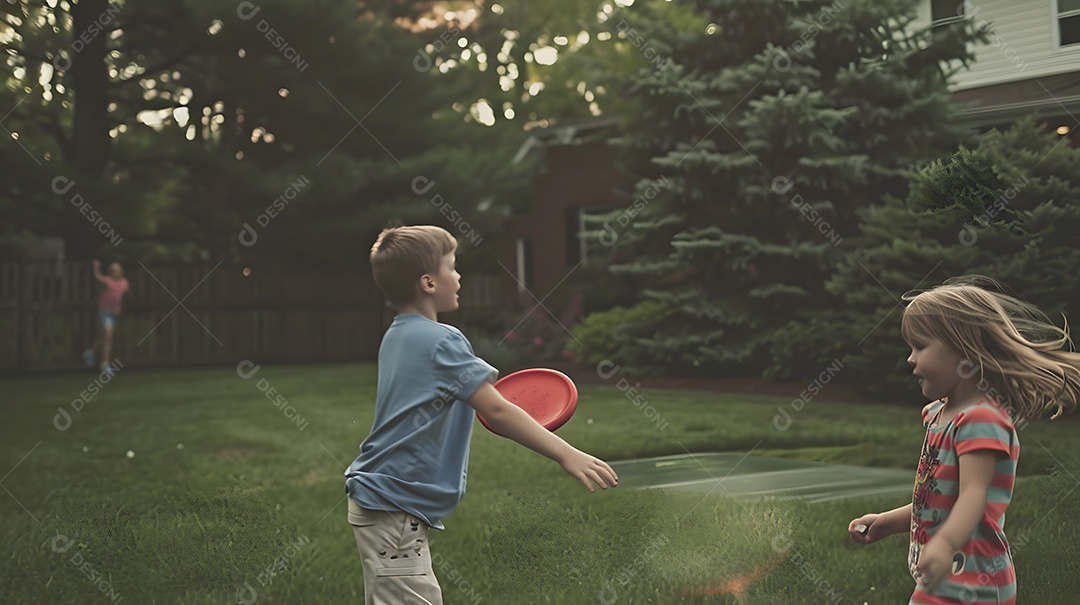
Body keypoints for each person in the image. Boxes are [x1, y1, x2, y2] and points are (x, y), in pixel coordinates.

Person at [344, 225, 618, 605]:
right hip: (395, 505)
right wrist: (566, 453)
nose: (458, 277)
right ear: (427, 282)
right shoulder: (443, 340)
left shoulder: (397, 335)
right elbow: (497, 409)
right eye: (451, 267)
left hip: (382, 499)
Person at [847, 276, 1080, 604]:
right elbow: (938, 502)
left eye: (921, 346)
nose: (910, 359)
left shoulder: (981, 420)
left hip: (977, 582)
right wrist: (885, 523)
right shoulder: (940, 416)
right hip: (946, 578)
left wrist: (944, 544)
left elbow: (974, 495)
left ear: (965, 352)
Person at [83, 260, 129, 376]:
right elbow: (97, 277)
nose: (114, 272)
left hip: (115, 314)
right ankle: (104, 364)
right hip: (105, 312)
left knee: (103, 337)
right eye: (112, 270)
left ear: (121, 271)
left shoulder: (124, 283)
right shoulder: (106, 281)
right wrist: (96, 269)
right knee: (108, 334)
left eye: (116, 269)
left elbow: (122, 296)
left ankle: (90, 352)